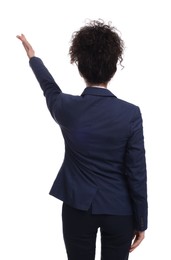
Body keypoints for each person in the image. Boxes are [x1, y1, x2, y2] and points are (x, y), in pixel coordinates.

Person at [17, 19, 148, 260]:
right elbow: (136, 171)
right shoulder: (130, 113)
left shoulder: (66, 107)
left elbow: (50, 89)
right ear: (113, 68)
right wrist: (141, 221)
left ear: (79, 66)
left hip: (78, 208)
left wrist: (33, 58)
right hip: (119, 210)